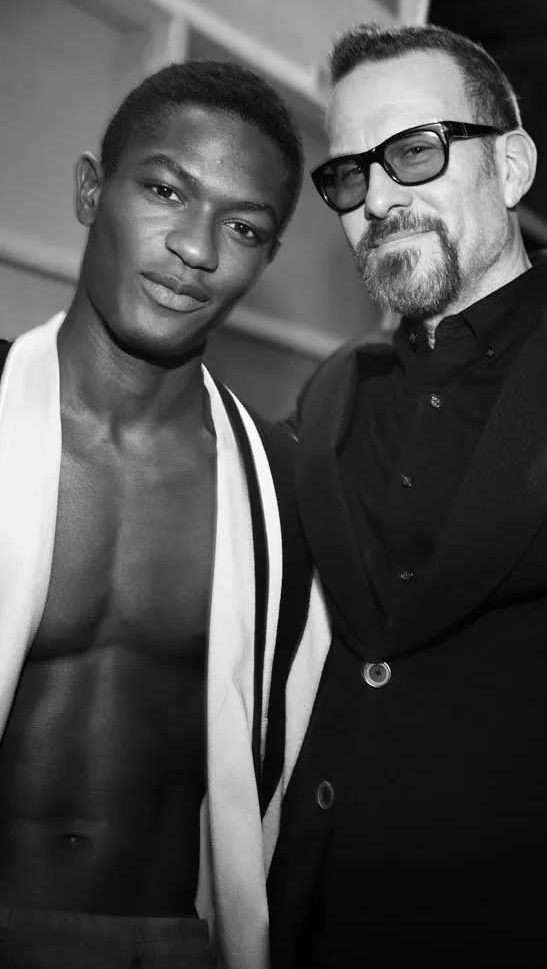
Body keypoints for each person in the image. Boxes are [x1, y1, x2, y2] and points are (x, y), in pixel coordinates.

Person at [267, 23, 547, 968]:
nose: (378, 199)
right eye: (349, 175)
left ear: (511, 166)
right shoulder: (331, 393)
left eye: (414, 152)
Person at [0, 60, 330, 969]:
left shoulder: (282, 490)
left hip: (168, 943)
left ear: (266, 257)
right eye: (164, 191)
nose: (196, 248)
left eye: (243, 227)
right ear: (90, 191)